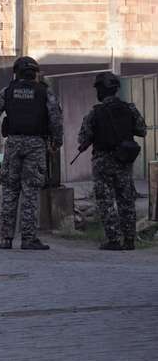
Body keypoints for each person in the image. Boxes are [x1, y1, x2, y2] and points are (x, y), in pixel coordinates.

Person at [0, 56, 63, 250]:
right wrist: (56, 143)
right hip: (36, 145)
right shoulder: (45, 92)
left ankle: (6, 239)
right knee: (31, 192)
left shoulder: (7, 91)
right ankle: (28, 239)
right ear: (35, 72)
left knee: (10, 191)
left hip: (12, 145)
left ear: (16, 73)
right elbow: (56, 119)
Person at [78, 71, 146, 251]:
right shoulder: (129, 108)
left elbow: (83, 137)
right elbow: (142, 130)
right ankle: (130, 240)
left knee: (105, 201)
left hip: (103, 161)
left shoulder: (95, 113)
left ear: (101, 90)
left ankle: (113, 240)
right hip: (124, 159)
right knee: (126, 199)